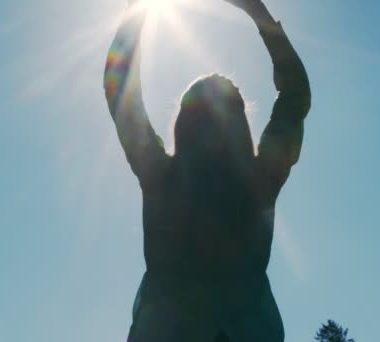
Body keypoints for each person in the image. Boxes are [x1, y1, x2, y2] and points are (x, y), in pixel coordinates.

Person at [103, 0, 311, 340]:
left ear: (184, 123)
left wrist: (135, 16)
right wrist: (258, 14)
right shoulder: (261, 180)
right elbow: (295, 95)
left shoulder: (160, 176)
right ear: (240, 123)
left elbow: (119, 90)